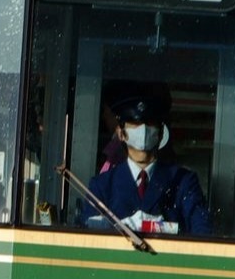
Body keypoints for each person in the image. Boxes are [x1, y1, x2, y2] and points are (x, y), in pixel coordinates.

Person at [79, 90, 211, 234]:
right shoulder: (102, 185)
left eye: (150, 124)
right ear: (121, 133)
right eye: (134, 124)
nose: (143, 130)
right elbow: (87, 233)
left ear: (161, 134)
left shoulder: (183, 181)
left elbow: (202, 231)